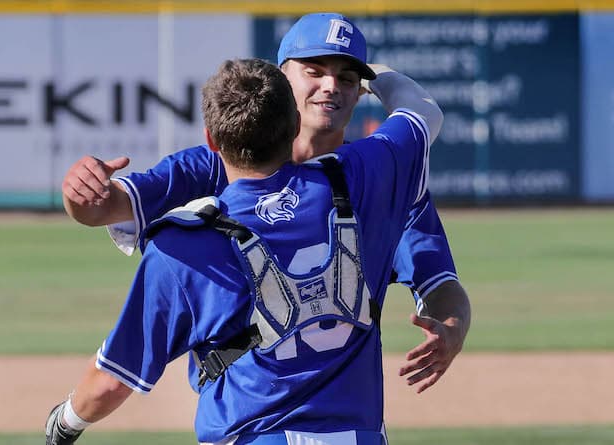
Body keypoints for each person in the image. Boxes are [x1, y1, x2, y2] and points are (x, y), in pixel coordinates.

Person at [61, 12, 470, 395]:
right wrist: (80, 192)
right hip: (247, 412)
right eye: (314, 71)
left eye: (346, 78)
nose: (331, 85)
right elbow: (102, 207)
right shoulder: (215, 164)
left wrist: (451, 326)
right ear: (280, 79)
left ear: (358, 92)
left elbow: (440, 283)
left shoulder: (380, 185)